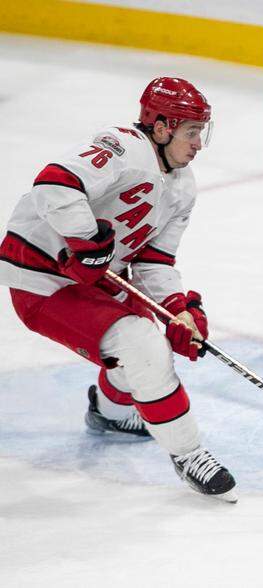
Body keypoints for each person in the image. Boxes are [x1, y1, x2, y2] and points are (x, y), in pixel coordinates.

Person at [0, 77, 237, 502]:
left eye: (201, 131)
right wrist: (85, 238)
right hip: (42, 276)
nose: (199, 143)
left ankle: (109, 413)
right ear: (161, 127)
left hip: (97, 280)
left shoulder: (183, 186)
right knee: (141, 343)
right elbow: (54, 183)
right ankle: (189, 453)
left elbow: (154, 260)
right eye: (191, 131)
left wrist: (177, 309)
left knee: (144, 345)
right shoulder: (123, 145)